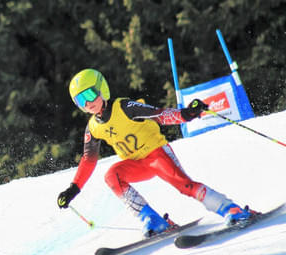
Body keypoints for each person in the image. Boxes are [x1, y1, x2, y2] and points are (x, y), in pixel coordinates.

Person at [57, 68, 257, 237]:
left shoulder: (125, 107)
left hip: (156, 154)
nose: (87, 103)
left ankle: (231, 209)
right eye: (79, 100)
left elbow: (160, 115)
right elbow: (88, 160)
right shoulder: (93, 127)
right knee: (112, 176)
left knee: (185, 186)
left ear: (102, 89)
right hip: (137, 164)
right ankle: (152, 220)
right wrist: (73, 189)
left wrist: (187, 114)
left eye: (90, 95)